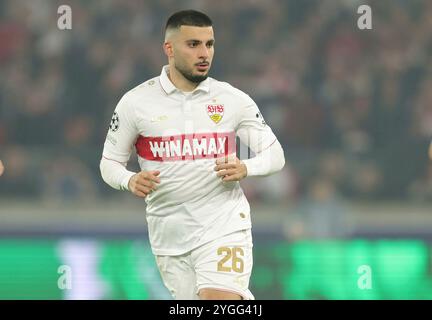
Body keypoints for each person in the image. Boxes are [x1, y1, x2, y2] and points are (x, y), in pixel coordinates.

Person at [100, 10, 285, 300]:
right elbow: (109, 163)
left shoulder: (232, 100)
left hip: (223, 226)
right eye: (193, 44)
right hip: (169, 235)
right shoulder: (135, 102)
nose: (204, 53)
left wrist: (246, 168)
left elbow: (275, 155)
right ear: (169, 49)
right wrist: (129, 180)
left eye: (209, 44)